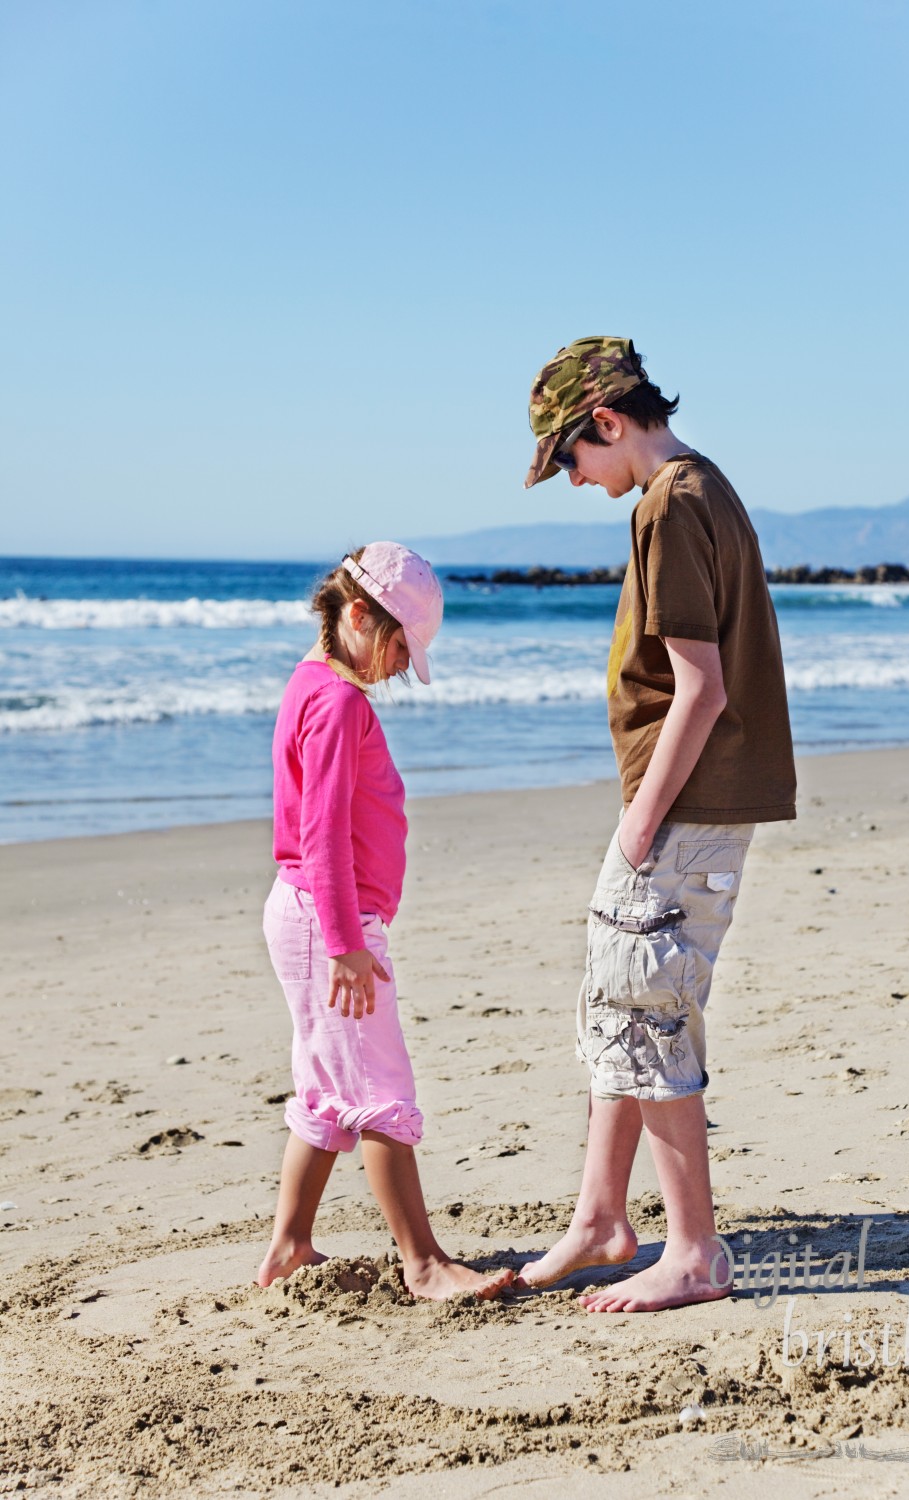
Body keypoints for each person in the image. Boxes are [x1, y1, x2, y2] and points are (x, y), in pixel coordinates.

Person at [517, 337, 796, 1312]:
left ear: (605, 423)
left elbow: (701, 688)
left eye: (568, 459)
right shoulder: (703, 484)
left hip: (681, 810)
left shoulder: (668, 506)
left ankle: (693, 1251)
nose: (569, 480)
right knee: (616, 1002)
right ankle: (600, 1219)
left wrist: (640, 819)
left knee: (648, 1004)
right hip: (691, 807)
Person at [256, 541, 513, 1301]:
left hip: (310, 915)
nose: (403, 664)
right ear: (360, 615)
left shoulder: (312, 685)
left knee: (324, 1091)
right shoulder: (337, 703)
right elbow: (323, 833)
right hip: (328, 921)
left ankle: (290, 1246)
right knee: (378, 1084)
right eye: (402, 645)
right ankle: (424, 1262)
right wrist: (345, 944)